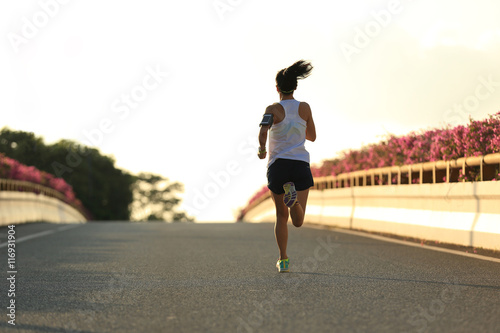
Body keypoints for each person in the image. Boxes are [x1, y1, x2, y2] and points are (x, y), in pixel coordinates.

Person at [257, 60, 316, 273]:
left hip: (278, 166)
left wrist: (262, 149)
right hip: (300, 164)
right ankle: (295, 203)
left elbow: (263, 130)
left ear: (277, 88)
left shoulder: (272, 109)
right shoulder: (305, 108)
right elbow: (313, 137)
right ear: (295, 87)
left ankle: (283, 259)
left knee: (281, 216)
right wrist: (299, 130)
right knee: (298, 221)